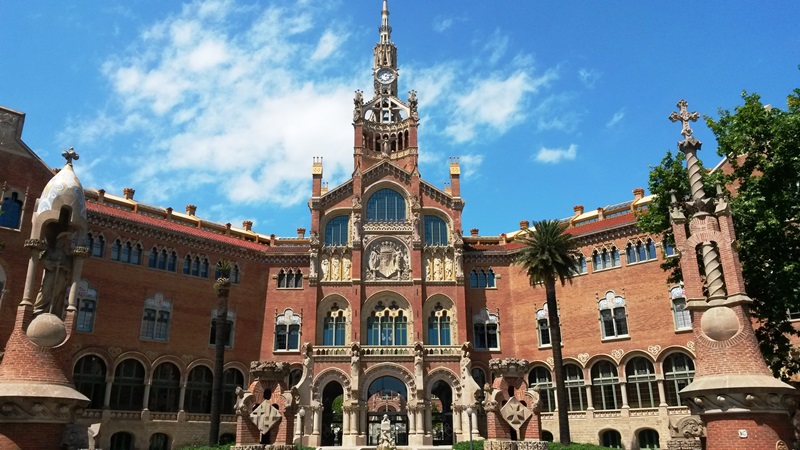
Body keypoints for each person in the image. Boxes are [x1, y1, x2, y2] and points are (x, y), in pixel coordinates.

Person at [33, 232, 73, 317]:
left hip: (60, 275)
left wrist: (63, 266)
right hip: (51, 274)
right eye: (60, 241)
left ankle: (53, 309)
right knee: (45, 290)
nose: (61, 243)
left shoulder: (65, 255)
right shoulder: (50, 252)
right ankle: (39, 307)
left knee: (57, 291)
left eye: (63, 242)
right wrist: (51, 265)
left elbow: (69, 266)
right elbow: (43, 260)